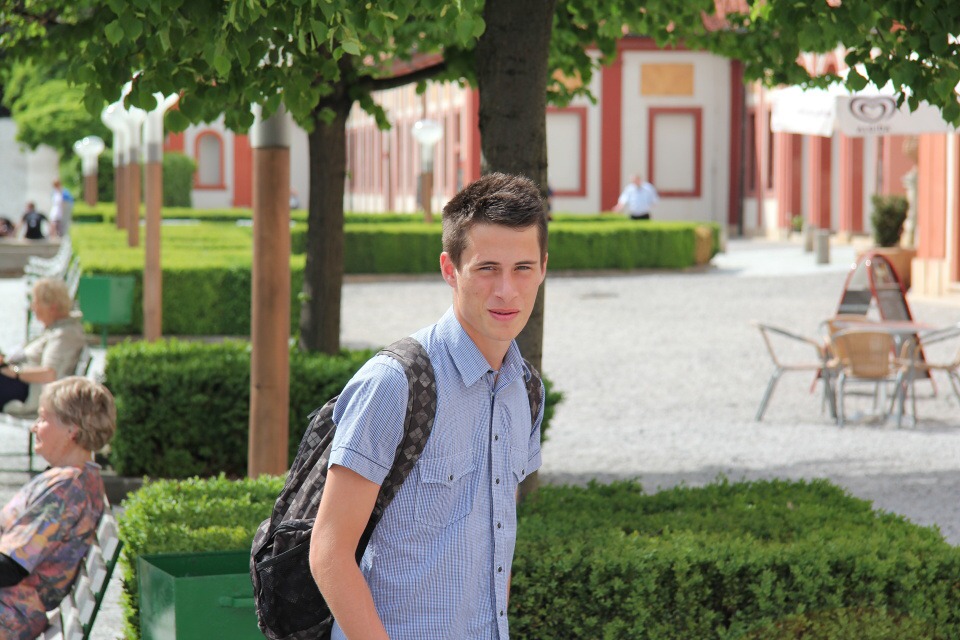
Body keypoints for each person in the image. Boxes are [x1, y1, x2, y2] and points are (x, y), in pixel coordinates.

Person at [309, 173, 548, 640]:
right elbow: (328, 551)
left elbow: (497, 545)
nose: (507, 290)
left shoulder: (527, 390)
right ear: (449, 269)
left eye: (522, 268)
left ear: (543, 268)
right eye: (487, 268)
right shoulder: (394, 383)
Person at [0, 376, 116, 639]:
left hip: (10, 611)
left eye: (43, 419)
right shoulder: (80, 478)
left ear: (71, 430)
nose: (34, 427)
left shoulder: (66, 488)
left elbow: (10, 568)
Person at [0, 278, 86, 413]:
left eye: (36, 302)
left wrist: (14, 372)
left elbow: (49, 373)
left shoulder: (63, 334)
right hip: (19, 384)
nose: (33, 307)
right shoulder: (58, 329)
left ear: (52, 307)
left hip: (26, 392)